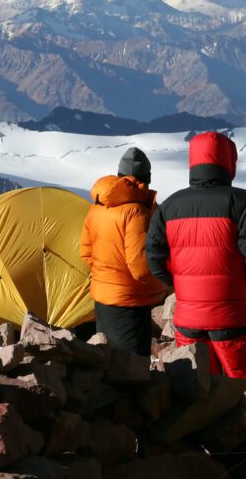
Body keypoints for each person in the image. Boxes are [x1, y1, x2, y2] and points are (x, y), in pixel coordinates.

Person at [146, 131, 246, 385]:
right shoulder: (244, 202)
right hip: (234, 317)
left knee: (202, 387)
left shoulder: (170, 206)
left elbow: (155, 259)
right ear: (229, 162)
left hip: (188, 320)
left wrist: (183, 287)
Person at [80, 147, 166, 356]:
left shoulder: (98, 206)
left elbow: (86, 252)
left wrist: (107, 278)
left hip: (103, 298)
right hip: (129, 301)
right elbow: (141, 268)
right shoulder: (136, 212)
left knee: (109, 361)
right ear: (146, 178)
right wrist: (164, 286)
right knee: (131, 369)